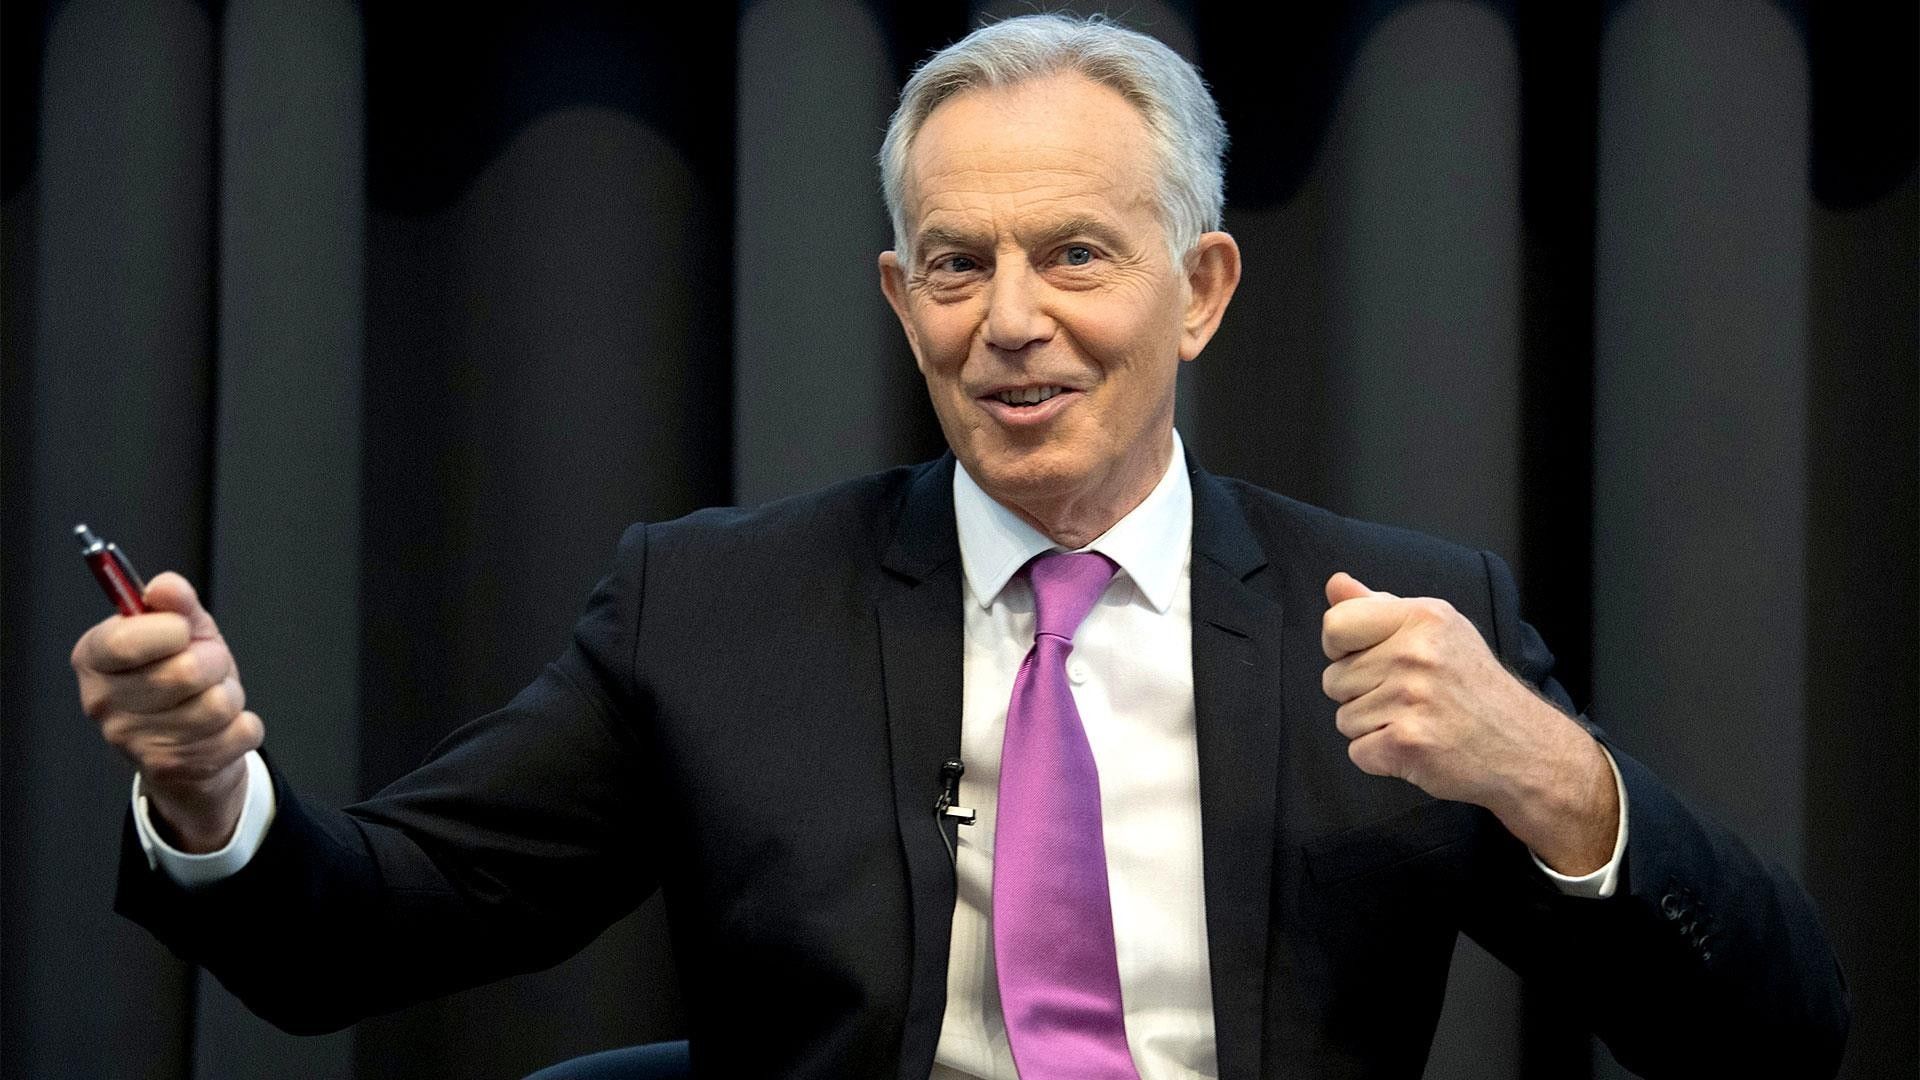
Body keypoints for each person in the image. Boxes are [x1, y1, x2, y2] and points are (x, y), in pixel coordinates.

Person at [75, 14, 1846, 1079]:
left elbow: (1774, 1034)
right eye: (955, 264)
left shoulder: (1408, 619)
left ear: (1200, 290)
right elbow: (357, 940)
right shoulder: (714, 608)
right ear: (897, 295)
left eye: (1073, 255)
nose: (1009, 321)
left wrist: (1553, 781)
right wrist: (211, 794)